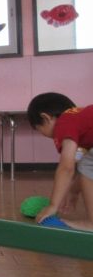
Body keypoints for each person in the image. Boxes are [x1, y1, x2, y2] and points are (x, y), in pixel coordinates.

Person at [27, 92, 92, 230]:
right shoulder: (81, 121)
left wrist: (53, 205)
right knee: (87, 163)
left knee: (87, 163)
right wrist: (74, 191)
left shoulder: (64, 122)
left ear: (46, 118)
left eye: (39, 129)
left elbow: (66, 168)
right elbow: (87, 174)